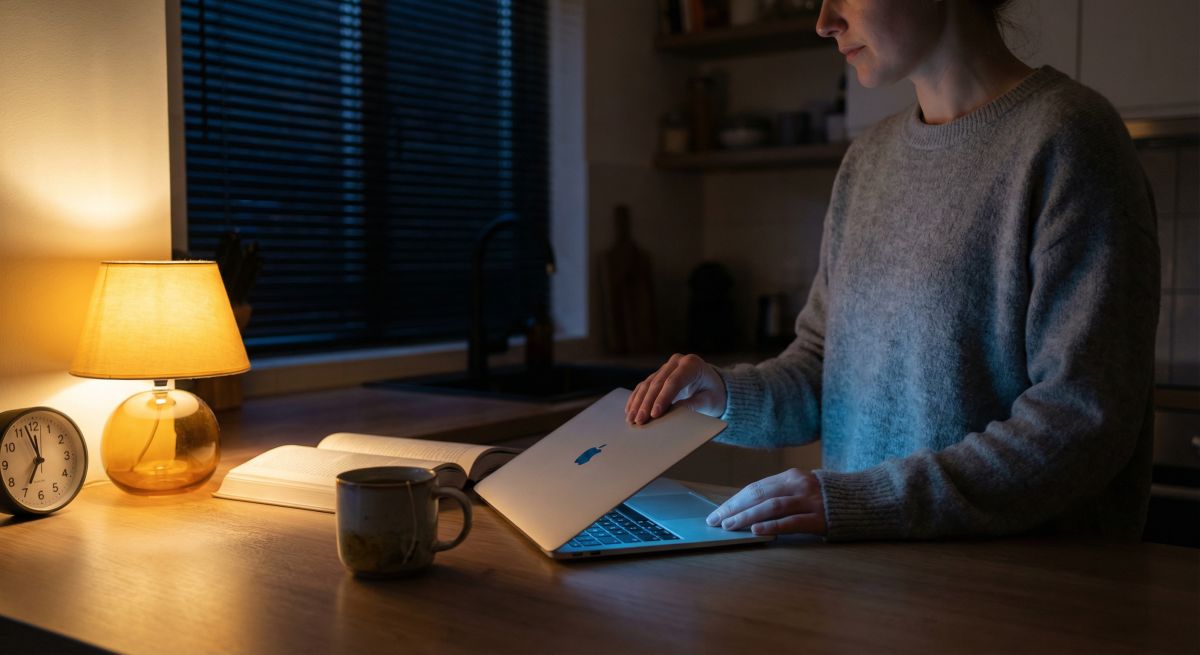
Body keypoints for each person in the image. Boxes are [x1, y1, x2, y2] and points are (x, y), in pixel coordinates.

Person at [625, 0, 1159, 542]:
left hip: (1019, 595)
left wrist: (863, 501)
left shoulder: (1069, 138)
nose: (825, 20)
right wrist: (722, 398)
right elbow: (821, 371)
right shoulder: (869, 158)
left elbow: (1082, 421)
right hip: (872, 584)